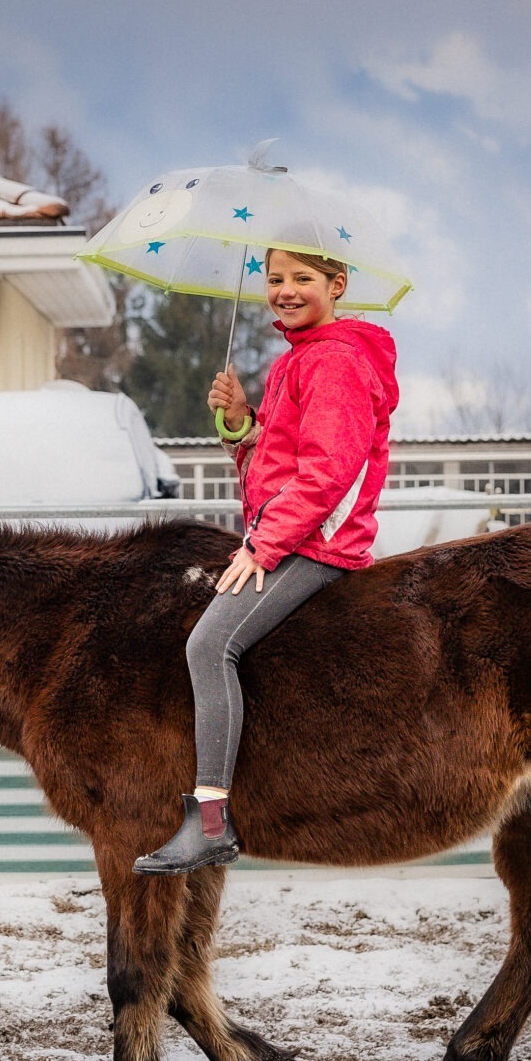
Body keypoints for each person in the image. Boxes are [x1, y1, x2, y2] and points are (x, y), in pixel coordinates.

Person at [135, 248, 399, 875]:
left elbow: (328, 473)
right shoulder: (295, 360)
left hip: (316, 545)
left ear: (337, 285)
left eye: (303, 279)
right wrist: (239, 423)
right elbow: (275, 463)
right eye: (275, 279)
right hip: (291, 536)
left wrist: (263, 545)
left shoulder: (334, 360)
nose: (286, 290)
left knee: (209, 646)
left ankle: (211, 822)